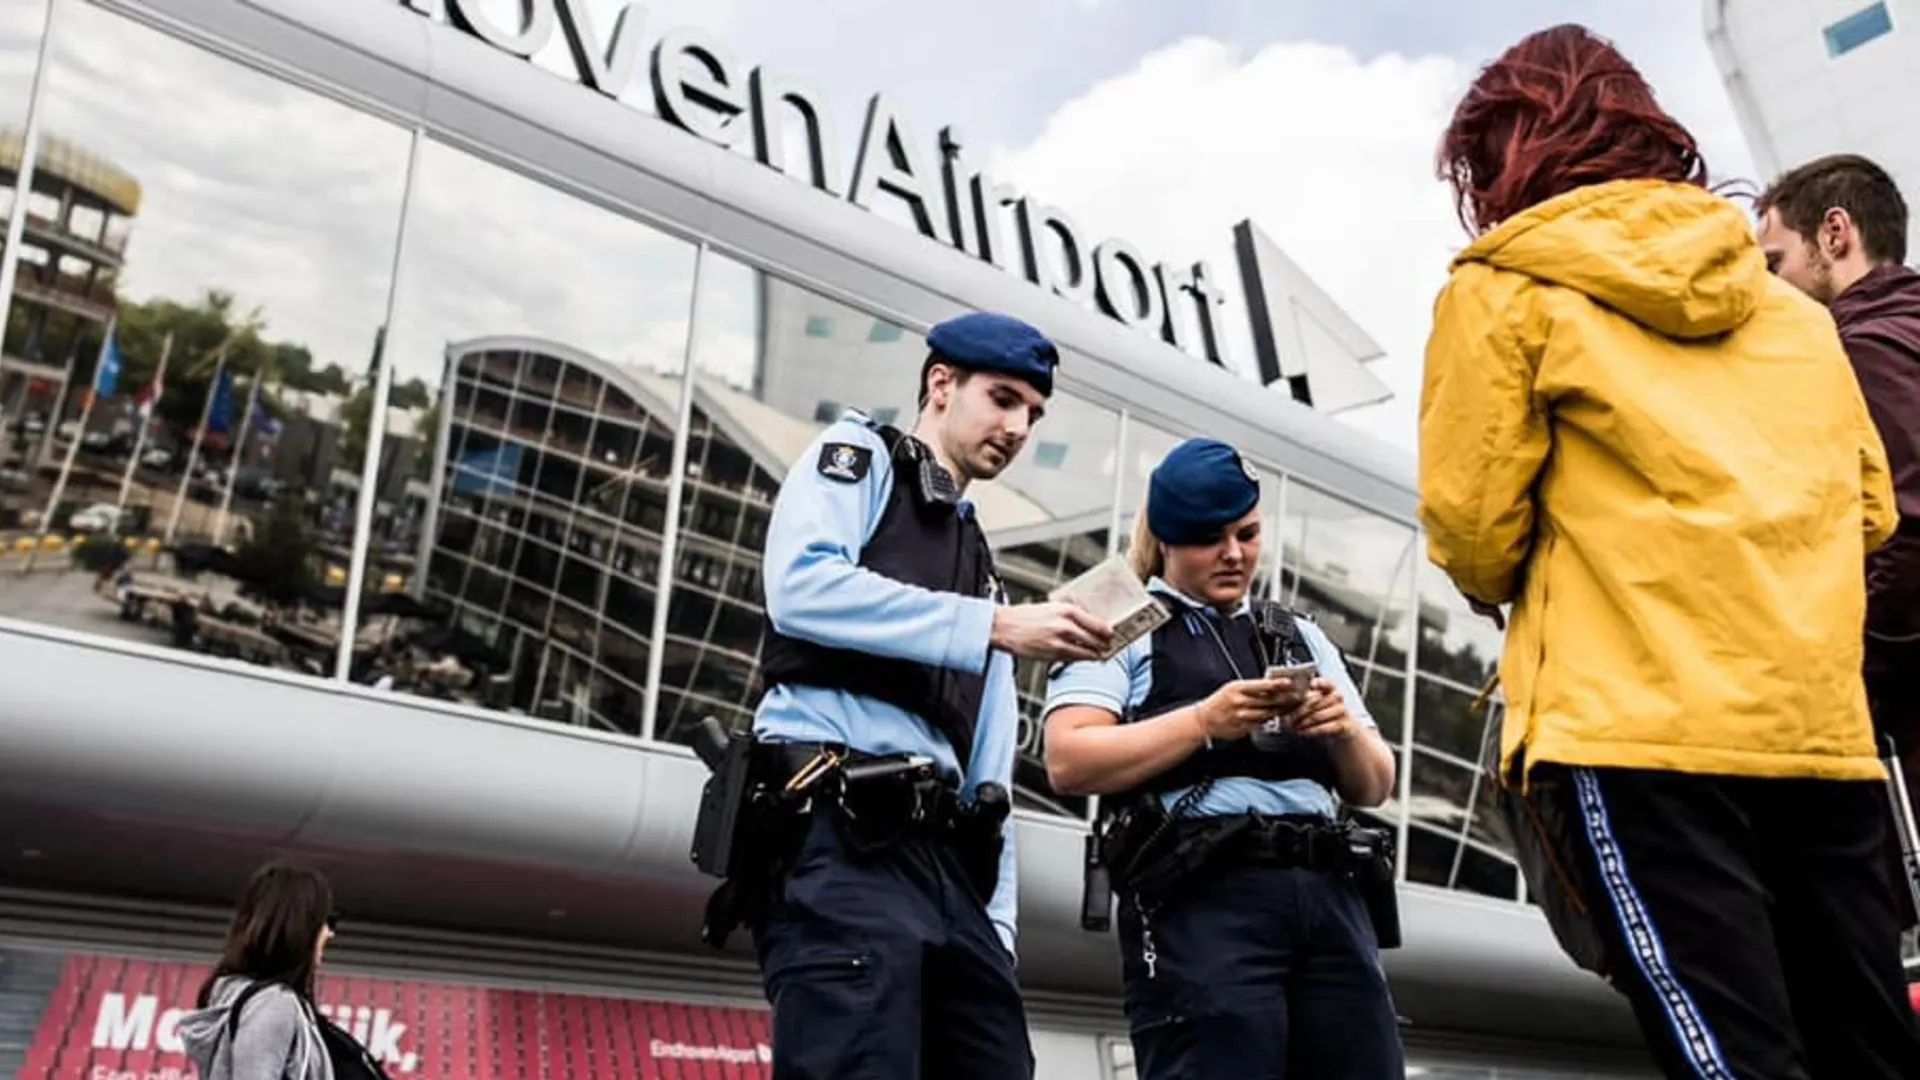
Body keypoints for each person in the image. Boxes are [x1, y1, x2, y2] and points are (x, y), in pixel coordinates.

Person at [1420, 23, 1920, 1080]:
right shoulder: (1788, 311)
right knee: (1870, 1051)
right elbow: (1870, 511)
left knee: (1731, 1056)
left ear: (1503, 159)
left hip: (1639, 737)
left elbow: (1472, 533)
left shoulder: (1502, 289)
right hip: (1820, 737)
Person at [745, 311, 1115, 1080]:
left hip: (948, 871)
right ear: (940, 384)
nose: (1019, 426)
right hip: (840, 829)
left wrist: (999, 928)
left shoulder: (981, 562)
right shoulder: (859, 456)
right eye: (1004, 398)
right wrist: (993, 626)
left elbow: (991, 773)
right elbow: (802, 587)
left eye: (1034, 414)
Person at [1042, 438, 1402, 1079]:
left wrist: (1341, 728)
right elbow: (1068, 758)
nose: (1235, 554)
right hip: (1202, 892)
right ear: (1170, 541)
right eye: (1212, 539)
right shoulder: (1118, 617)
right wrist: (1204, 722)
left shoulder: (1298, 631)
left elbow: (1376, 784)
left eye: (1249, 533)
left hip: (1328, 896)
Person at [1756, 155, 1920, 818]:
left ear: (1835, 234)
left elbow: (1907, 530)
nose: (1769, 288)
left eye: (1775, 262)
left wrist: (1842, 678)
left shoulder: (1864, 349)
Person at [179, 862, 339, 1080]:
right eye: (326, 921)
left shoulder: (232, 996)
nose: (330, 933)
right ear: (299, 926)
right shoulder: (274, 1004)